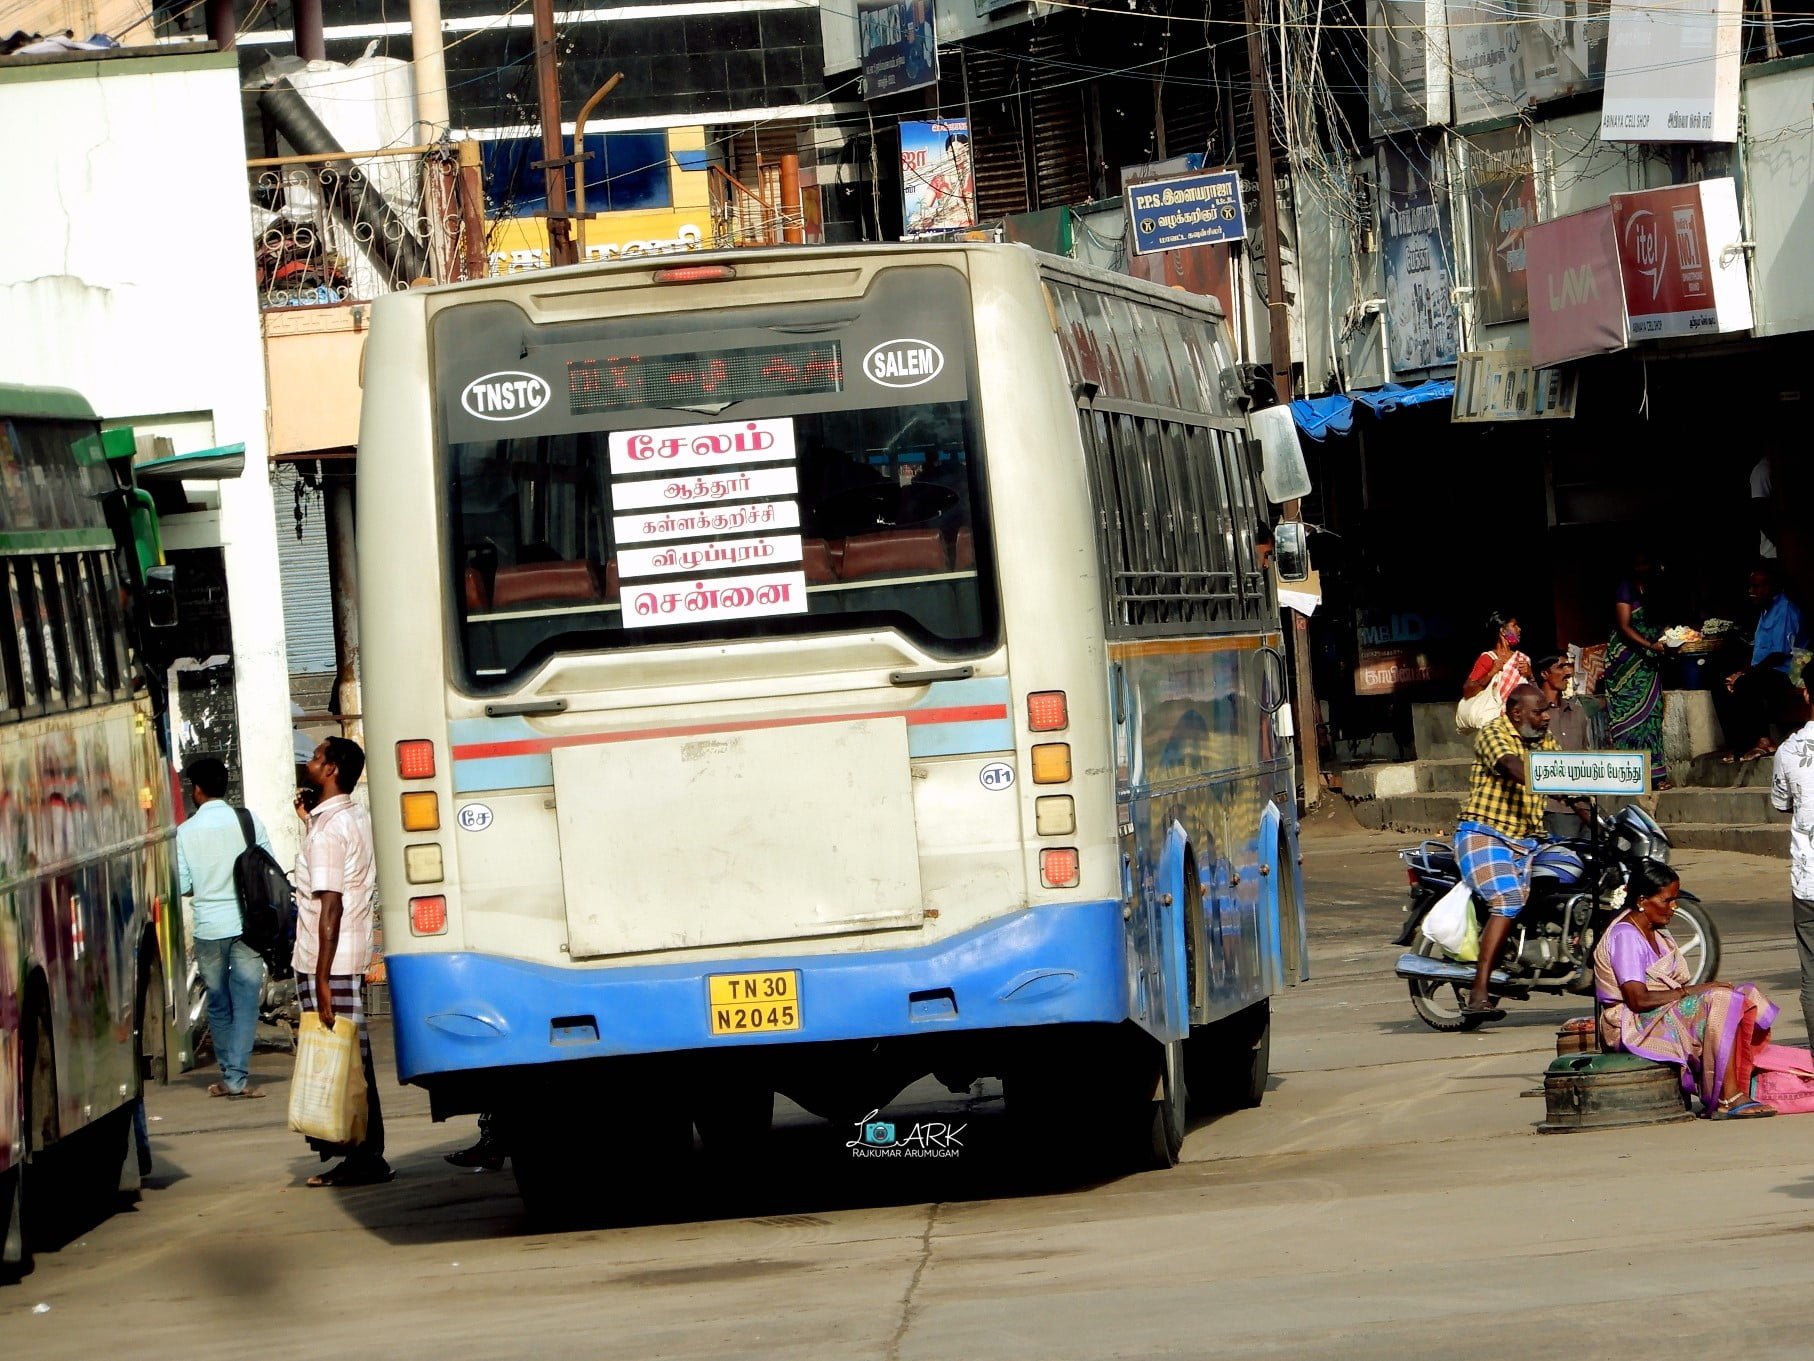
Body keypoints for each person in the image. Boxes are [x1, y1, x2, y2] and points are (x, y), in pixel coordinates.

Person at [1593, 859, 1778, 1118]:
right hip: (1630, 1022)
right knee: (1720, 999)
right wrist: (1694, 991)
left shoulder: (1656, 932)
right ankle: (1728, 1096)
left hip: (1656, 1012)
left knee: (1741, 995)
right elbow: (1637, 999)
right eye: (1667, 900)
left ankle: (1736, 1082)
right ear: (1642, 901)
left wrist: (1696, 992)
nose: (1674, 907)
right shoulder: (1626, 936)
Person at [293, 737, 391, 1187]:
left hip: (329, 961)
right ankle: (360, 1152)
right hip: (343, 958)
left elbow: (329, 906)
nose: (308, 763)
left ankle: (363, 1155)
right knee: (350, 1060)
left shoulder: (331, 830)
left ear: (331, 770)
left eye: (316, 758)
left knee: (344, 1062)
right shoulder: (351, 816)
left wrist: (322, 979)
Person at [1459, 685, 1560, 1021]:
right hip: (1485, 835)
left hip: (1530, 840)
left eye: (1547, 711)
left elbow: (1568, 781)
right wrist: (1560, 780)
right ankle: (1478, 992)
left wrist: (1597, 813)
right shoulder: (1493, 733)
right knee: (1508, 899)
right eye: (1539, 711)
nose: (1546, 717)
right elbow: (1512, 768)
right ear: (1517, 713)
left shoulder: (1545, 742)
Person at [176, 757, 270, 1100]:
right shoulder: (248, 820)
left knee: (218, 1002)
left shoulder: (185, 832)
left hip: (209, 927)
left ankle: (231, 1075)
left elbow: (184, 884)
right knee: (246, 1001)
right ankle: (237, 1078)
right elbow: (267, 867)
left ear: (196, 790)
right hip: (249, 925)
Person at [1717, 561, 1808, 764]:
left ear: (1772, 587)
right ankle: (1741, 744)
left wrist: (1746, 676)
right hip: (1768, 669)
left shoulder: (1784, 608)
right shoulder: (1764, 610)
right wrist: (1740, 672)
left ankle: (1765, 741)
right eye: (1751, 586)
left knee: (1747, 684)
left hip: (1789, 672)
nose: (1752, 592)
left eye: (1758, 587)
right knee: (1723, 684)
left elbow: (1777, 654)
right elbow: (1759, 654)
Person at [1768, 651, 1814, 1052]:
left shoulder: (1787, 750)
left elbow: (1781, 803)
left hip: (1809, 880)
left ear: (1806, 694)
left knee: (1813, 975)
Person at [1604, 554, 1672, 790]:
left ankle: (1655, 774)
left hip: (1650, 659)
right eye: (1638, 562)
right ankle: (1631, 775)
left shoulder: (1654, 589)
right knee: (1629, 718)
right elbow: (1624, 626)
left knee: (1651, 715)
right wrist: (1649, 645)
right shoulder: (1625, 589)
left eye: (1646, 563)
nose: (1642, 567)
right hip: (1627, 660)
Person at [1535, 654, 1597, 841]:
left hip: (1585, 805)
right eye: (1561, 667)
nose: (1568, 672)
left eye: (1568, 666)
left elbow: (1585, 754)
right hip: (1554, 807)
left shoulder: (1577, 713)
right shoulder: (1535, 715)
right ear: (1545, 673)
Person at [1460, 611, 1531, 710]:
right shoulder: (1488, 658)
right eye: (1514, 625)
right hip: (1495, 719)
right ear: (1503, 631)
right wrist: (1492, 672)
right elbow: (1467, 692)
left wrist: (1530, 675)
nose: (1519, 629)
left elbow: (1533, 694)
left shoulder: (1522, 659)